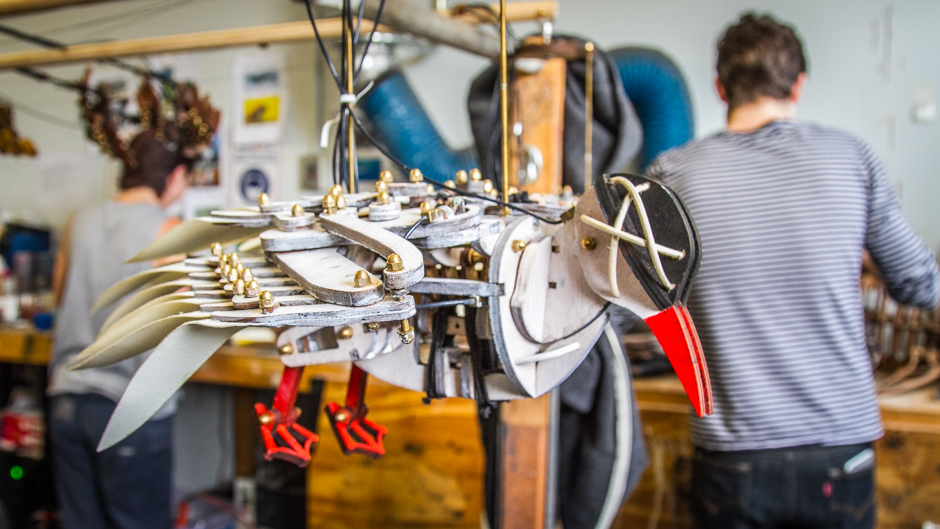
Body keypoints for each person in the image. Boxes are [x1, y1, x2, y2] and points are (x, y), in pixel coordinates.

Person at [646, 14, 940, 529]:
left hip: (735, 454)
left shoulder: (672, 174)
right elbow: (919, 284)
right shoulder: (852, 156)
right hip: (839, 449)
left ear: (721, 87)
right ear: (798, 84)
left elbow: (631, 303)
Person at [48, 128, 191, 529]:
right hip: (130, 409)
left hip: (67, 402)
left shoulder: (79, 220)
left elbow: (61, 297)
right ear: (175, 176)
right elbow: (184, 323)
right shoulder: (169, 230)